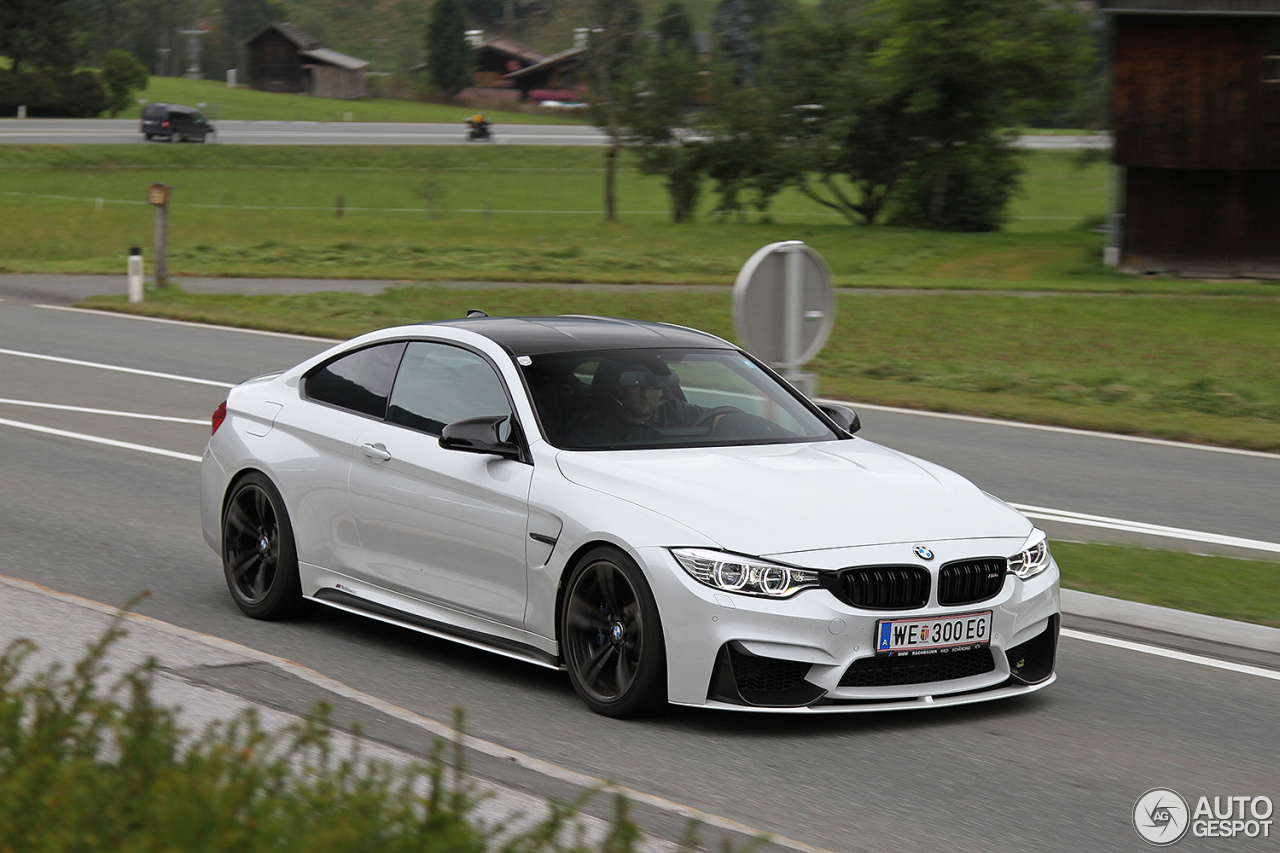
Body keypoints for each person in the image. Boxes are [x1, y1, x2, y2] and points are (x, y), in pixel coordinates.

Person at [569, 361, 710, 447]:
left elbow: (720, 418)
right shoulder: (593, 429)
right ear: (621, 389)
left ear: (662, 390)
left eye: (652, 386)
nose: (646, 395)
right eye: (636, 385)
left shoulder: (677, 411)